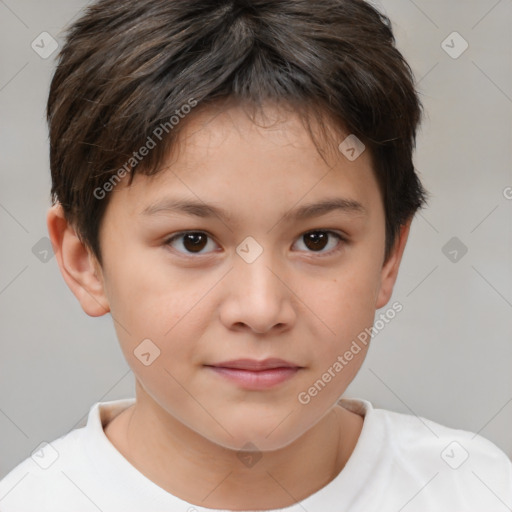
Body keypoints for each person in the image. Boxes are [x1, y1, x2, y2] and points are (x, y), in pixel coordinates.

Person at [1, 0, 511, 510]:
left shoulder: (475, 490)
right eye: (193, 241)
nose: (262, 309)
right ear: (84, 260)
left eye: (317, 240)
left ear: (388, 256)